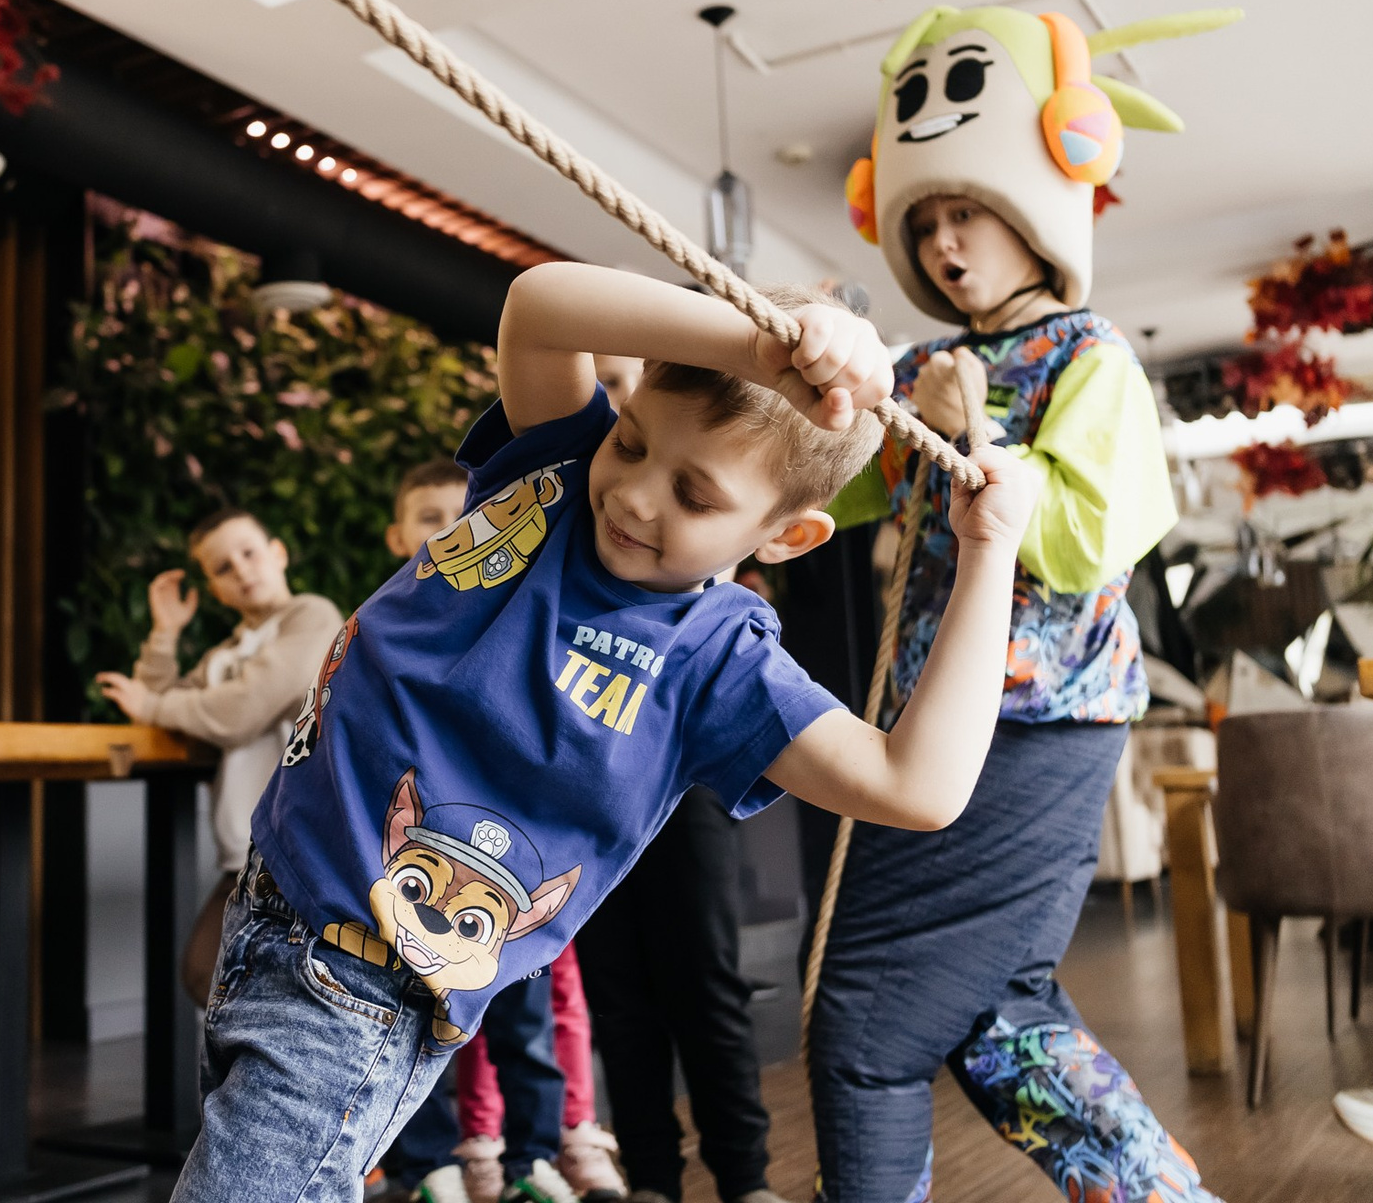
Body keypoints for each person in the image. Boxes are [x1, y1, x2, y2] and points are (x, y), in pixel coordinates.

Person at [171, 260, 1040, 1203]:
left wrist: (989, 551)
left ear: (784, 537)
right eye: (631, 443)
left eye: (695, 496)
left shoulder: (717, 658)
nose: (634, 494)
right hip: (270, 905)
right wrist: (752, 346)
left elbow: (918, 786)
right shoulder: (551, 475)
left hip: (361, 986)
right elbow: (537, 307)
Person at [811, 2, 1238, 1203]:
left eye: (966, 212)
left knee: (866, 1022)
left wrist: (975, 427)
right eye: (926, 222)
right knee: (998, 1018)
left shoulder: (1091, 355)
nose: (945, 242)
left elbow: (1085, 538)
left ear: (1031, 210)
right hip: (935, 723)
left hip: (1036, 722)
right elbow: (831, 489)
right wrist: (815, 383)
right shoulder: (918, 369)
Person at [572, 356, 791, 1203]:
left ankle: (745, 1179)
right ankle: (652, 1180)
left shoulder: (696, 470)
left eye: (623, 375)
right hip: (593, 777)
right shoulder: (599, 475)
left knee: (702, 980)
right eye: (604, 380)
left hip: (682, 772)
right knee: (616, 991)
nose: (612, 392)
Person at [377, 458, 577, 1203]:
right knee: (415, 1016)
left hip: (517, 865)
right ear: (398, 535)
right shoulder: (394, 623)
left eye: (466, 513)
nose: (451, 528)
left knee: (525, 1024)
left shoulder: (531, 610)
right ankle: (429, 1165)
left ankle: (534, 1159)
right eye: (429, 517)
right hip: (424, 869)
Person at [95, 506, 343, 1006]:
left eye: (249, 553)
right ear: (215, 590)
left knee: (227, 976)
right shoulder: (224, 655)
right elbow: (158, 718)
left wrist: (155, 704)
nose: (242, 570)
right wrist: (164, 633)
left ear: (278, 553)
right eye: (224, 567)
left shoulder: (312, 616)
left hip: (301, 844)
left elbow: (239, 710)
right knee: (213, 976)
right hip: (250, 851)